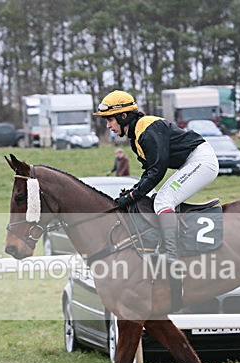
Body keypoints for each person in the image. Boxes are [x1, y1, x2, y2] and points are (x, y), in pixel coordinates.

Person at [93, 90, 218, 269]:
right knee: (159, 198)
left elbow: (158, 170)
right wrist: (134, 191)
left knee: (163, 200)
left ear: (123, 116)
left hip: (201, 160)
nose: (108, 126)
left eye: (110, 120)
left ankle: (171, 256)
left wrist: (133, 195)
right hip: (191, 162)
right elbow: (149, 171)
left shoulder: (146, 128)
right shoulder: (136, 136)